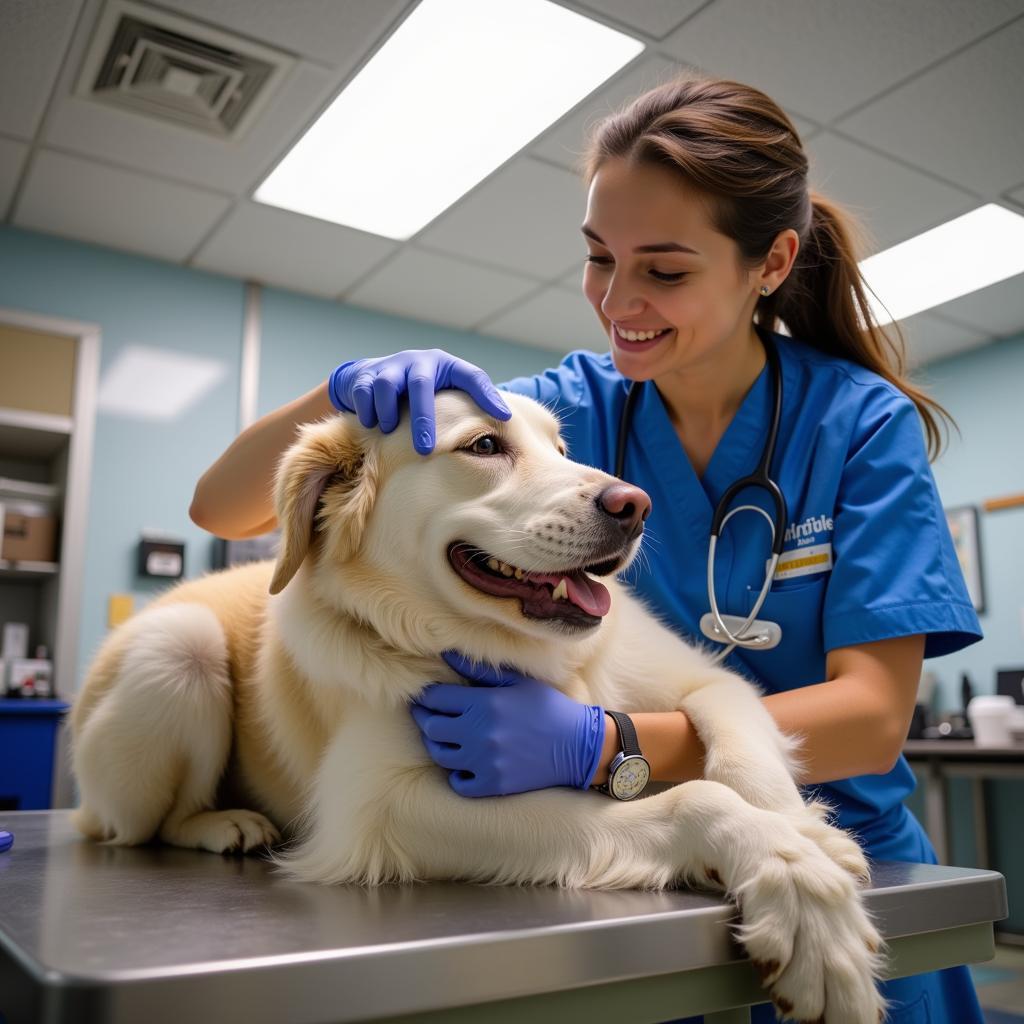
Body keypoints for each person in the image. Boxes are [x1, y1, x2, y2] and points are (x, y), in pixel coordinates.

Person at [191, 73, 984, 1023]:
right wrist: (345, 395)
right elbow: (221, 509)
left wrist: (607, 747)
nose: (619, 301)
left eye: (666, 269)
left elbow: (871, 716)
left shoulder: (856, 422)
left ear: (770, 264)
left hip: (833, 862)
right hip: (617, 873)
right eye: (599, 257)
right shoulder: (568, 406)